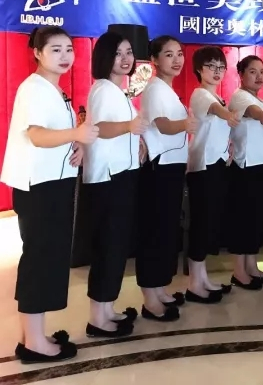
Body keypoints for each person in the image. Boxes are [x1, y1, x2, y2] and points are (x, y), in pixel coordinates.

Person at [2, 26, 98, 363]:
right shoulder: (34, 88)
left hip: (54, 182)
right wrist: (76, 134)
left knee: (47, 258)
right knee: (40, 260)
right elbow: (37, 135)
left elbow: (59, 135)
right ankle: (33, 343)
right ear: (37, 53)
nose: (65, 56)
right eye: (55, 49)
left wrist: (77, 146)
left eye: (69, 49)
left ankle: (33, 335)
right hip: (39, 186)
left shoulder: (54, 89)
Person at [82, 31, 147, 337]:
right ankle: (98, 318)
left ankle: (108, 309)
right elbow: (101, 128)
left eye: (129, 52)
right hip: (108, 177)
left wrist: (137, 140)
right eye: (118, 53)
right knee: (108, 246)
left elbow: (124, 129)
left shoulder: (119, 91)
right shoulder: (103, 89)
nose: (125, 59)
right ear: (104, 57)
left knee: (116, 245)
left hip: (122, 174)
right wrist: (130, 127)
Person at [137, 36, 198, 321]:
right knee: (154, 233)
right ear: (155, 60)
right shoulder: (154, 89)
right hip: (158, 170)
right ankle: (150, 300)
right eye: (169, 54)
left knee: (166, 232)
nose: (176, 60)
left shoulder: (167, 90)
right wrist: (186, 124)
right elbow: (163, 126)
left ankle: (160, 289)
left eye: (180, 54)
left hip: (172, 168)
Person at [186, 47, 238, 302]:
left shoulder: (218, 97)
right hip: (202, 167)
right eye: (211, 66)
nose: (217, 72)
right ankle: (195, 284)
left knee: (209, 224)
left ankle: (203, 278)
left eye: (221, 67)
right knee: (201, 224)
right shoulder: (200, 95)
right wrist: (229, 115)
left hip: (216, 165)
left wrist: (229, 143)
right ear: (199, 69)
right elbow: (216, 111)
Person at [228, 55, 263, 290]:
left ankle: (252, 266)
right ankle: (239, 272)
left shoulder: (259, 98)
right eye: (252, 71)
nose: (259, 76)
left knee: (255, 220)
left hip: (262, 166)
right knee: (242, 220)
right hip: (246, 168)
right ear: (241, 75)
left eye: (262, 71)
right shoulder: (240, 97)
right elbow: (253, 113)